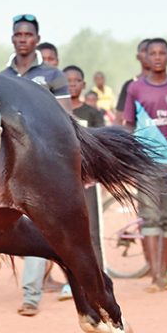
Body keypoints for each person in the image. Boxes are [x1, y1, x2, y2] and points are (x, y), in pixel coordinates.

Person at [0, 15, 69, 316]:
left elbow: (66, 119)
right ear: (13, 38)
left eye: (28, 34)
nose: (23, 38)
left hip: (47, 161)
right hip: (13, 162)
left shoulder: (53, 75)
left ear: (37, 40)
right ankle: (31, 295)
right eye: (18, 34)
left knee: (58, 224)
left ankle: (79, 284)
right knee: (33, 223)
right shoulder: (2, 76)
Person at [122, 39, 167, 291]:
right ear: (145, 58)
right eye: (153, 53)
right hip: (146, 165)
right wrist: (129, 162)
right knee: (150, 218)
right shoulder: (135, 88)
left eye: (162, 53)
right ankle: (155, 278)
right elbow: (128, 127)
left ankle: (165, 275)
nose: (158, 57)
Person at [64, 66, 104, 281]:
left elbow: (101, 146)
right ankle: (74, 281)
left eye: (76, 80)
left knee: (92, 232)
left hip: (87, 182)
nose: (72, 84)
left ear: (84, 84)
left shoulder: (93, 113)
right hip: (63, 184)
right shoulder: (55, 112)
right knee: (67, 234)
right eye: (67, 80)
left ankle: (99, 278)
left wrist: (94, 173)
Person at [115, 39, 152, 126]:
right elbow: (119, 119)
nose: (147, 54)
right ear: (137, 56)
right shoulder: (129, 85)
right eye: (144, 51)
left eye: (150, 51)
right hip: (138, 137)